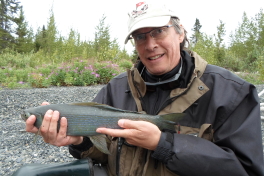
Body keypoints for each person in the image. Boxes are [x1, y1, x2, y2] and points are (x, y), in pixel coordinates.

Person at [24, 1, 264, 176]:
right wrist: (78, 142)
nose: (150, 45)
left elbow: (245, 170)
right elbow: (103, 152)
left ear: (180, 33)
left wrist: (164, 144)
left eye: (159, 31)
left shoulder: (232, 92)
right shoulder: (116, 88)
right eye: (140, 37)